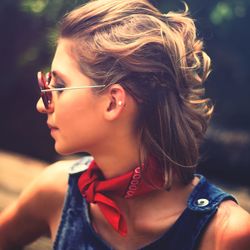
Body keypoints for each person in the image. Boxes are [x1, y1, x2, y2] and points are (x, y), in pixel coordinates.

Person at [0, 0, 250, 249]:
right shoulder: (56, 191)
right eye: (48, 86)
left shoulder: (226, 234)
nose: (42, 105)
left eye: (59, 86)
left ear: (113, 102)